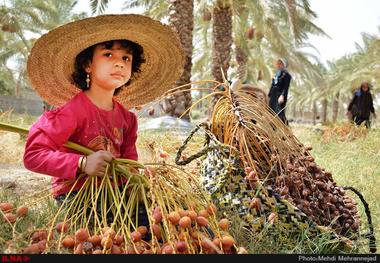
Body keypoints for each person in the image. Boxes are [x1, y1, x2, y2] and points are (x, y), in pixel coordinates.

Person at [23, 14, 185, 224]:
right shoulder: (71, 112)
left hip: (116, 194)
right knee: (119, 231)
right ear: (87, 65)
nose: (119, 63)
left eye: (126, 58)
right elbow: (33, 156)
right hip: (78, 198)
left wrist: (136, 184)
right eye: (108, 55)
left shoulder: (127, 119)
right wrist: (82, 163)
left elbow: (129, 163)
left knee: (170, 216)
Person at [268, 58, 292, 124]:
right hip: (273, 95)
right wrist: (268, 95)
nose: (279, 65)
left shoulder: (287, 76)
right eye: (278, 63)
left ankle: (285, 128)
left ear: (284, 65)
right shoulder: (276, 76)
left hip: (280, 95)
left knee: (279, 112)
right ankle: (272, 128)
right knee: (271, 111)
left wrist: (282, 96)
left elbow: (285, 87)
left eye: (281, 64)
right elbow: (272, 86)